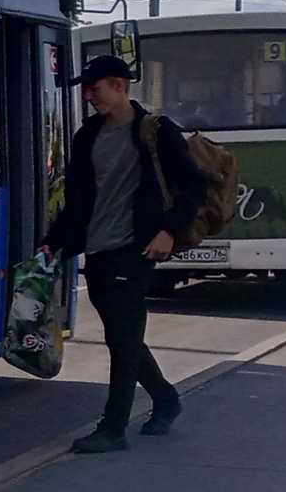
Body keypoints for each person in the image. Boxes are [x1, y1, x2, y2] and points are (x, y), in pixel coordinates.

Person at [40, 53, 208, 452]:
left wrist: (169, 230)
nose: (88, 96)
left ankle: (113, 428)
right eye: (86, 90)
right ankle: (165, 399)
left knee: (123, 337)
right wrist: (56, 239)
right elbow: (79, 198)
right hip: (96, 248)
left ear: (119, 85)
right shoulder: (88, 135)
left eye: (94, 89)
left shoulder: (156, 131)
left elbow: (194, 185)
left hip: (136, 247)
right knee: (124, 336)